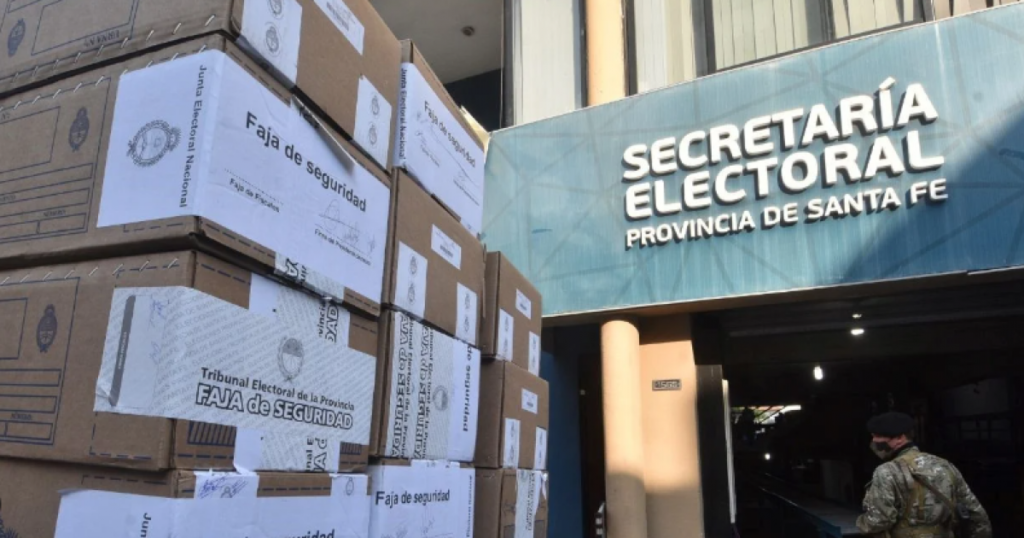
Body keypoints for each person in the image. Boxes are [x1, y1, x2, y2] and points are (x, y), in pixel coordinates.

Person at [856, 412, 992, 538]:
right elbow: (977, 515)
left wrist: (861, 523)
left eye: (878, 436)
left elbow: (879, 521)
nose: (874, 441)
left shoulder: (887, 471)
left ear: (899, 438)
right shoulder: (945, 465)